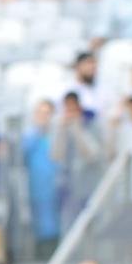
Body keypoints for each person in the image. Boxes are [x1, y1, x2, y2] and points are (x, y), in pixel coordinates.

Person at [52, 91, 103, 232]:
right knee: (69, 229)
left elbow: (92, 154)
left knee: (91, 230)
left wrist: (77, 128)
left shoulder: (92, 125)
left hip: (88, 188)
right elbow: (56, 156)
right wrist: (62, 130)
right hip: (69, 191)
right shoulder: (61, 128)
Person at [23, 99, 60, 261]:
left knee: (55, 229)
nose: (43, 117)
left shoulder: (57, 136)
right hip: (36, 191)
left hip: (57, 193)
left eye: (47, 113)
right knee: (38, 230)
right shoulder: (29, 137)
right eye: (40, 113)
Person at [65, 52, 101, 123]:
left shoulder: (102, 89)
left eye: (94, 64)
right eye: (89, 63)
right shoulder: (67, 88)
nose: (92, 67)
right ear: (78, 66)